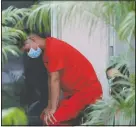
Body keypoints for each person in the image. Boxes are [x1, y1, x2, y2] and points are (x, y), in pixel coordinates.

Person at [22, 34, 103, 125]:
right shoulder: (47, 52)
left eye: (28, 49)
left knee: (52, 120)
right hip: (73, 95)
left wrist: (53, 109)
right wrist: (49, 106)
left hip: (86, 92)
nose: (29, 53)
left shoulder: (54, 48)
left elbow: (55, 80)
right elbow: (51, 80)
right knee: (44, 116)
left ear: (33, 39)